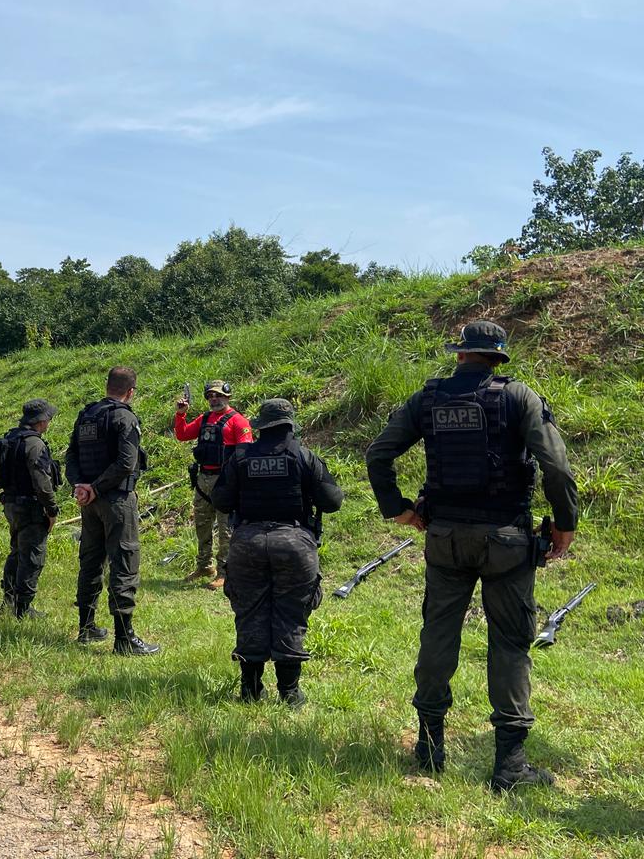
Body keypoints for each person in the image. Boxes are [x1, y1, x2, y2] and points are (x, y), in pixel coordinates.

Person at [365, 319, 578, 792]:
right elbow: (557, 468)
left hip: (444, 537)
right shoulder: (519, 397)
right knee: (509, 643)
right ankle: (510, 765)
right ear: (498, 357)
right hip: (505, 540)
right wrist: (564, 524)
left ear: (460, 354)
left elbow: (378, 454)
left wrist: (397, 509)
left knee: (439, 631)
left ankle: (428, 747)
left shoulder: (427, 399)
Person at [211, 398, 343, 706]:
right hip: (294, 542)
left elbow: (221, 502)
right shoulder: (304, 457)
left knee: (249, 612)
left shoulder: (241, 458)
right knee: (291, 611)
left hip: (248, 543)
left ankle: (250, 689)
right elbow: (333, 502)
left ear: (261, 427)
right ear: (290, 425)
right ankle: (290, 692)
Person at [66, 366, 159, 655]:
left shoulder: (86, 415)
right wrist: (95, 486)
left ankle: (86, 627)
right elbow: (126, 463)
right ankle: (124, 638)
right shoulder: (124, 417)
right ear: (131, 391)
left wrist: (81, 485)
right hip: (116, 499)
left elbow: (71, 455)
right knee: (124, 563)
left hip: (90, 503)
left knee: (91, 561)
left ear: (107, 386)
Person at [175, 379, 254, 590]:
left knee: (226, 529)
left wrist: (238, 482)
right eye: (210, 396)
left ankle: (225, 572)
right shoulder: (205, 418)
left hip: (226, 480)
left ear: (228, 396)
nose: (214, 399)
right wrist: (181, 414)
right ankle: (204, 566)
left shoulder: (239, 422)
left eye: (218, 395)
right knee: (202, 523)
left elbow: (245, 455)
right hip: (203, 479)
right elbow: (182, 435)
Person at [0, 399, 61, 619]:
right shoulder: (34, 444)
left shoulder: (11, 438)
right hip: (31, 508)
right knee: (32, 557)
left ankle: (9, 599)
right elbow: (41, 481)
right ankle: (22, 609)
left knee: (16, 552)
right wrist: (52, 510)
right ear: (41, 421)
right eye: (48, 419)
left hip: (11, 504)